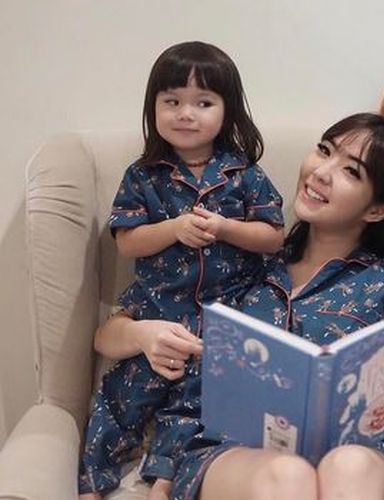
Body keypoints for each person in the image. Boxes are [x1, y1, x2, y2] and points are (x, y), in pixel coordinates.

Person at [95, 113, 384, 500]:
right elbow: (108, 335)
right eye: (324, 151)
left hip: (363, 451)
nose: (321, 172)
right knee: (287, 476)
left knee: (349, 467)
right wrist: (143, 334)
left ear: (378, 209)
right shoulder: (243, 256)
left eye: (351, 172)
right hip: (235, 450)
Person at [78, 41, 284, 500]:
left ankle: (165, 480)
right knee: (121, 395)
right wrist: (174, 228)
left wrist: (226, 228)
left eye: (203, 103)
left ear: (227, 111)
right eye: (172, 101)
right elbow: (128, 240)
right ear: (153, 108)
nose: (186, 114)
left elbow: (273, 236)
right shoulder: (142, 175)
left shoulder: (244, 174)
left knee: (200, 397)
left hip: (228, 310)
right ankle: (91, 483)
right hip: (157, 305)